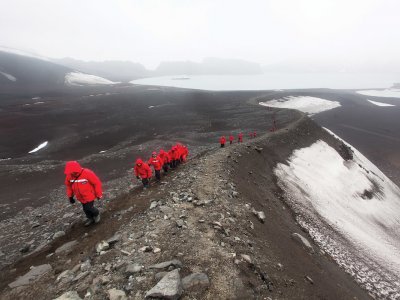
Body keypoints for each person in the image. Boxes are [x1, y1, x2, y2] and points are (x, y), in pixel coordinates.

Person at [64, 161, 102, 226]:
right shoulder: (69, 176)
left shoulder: (87, 173)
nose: (71, 173)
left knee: (89, 207)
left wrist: (99, 194)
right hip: (80, 197)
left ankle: (96, 214)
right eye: (70, 172)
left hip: (89, 195)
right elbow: (69, 186)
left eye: (72, 171)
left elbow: (97, 183)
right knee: (85, 209)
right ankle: (90, 218)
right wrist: (70, 196)